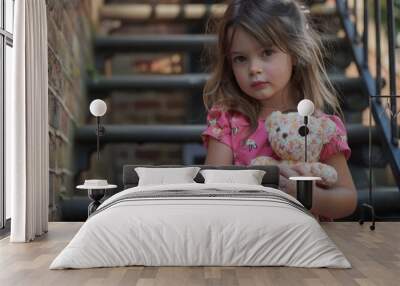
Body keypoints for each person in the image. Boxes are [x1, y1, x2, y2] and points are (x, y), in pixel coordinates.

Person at [201, 0, 357, 219]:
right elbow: (211, 192)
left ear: (293, 53)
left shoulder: (319, 127)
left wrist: (307, 196)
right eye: (240, 58)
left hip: (303, 244)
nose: (254, 68)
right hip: (245, 238)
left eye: (267, 52)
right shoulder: (228, 120)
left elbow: (347, 198)